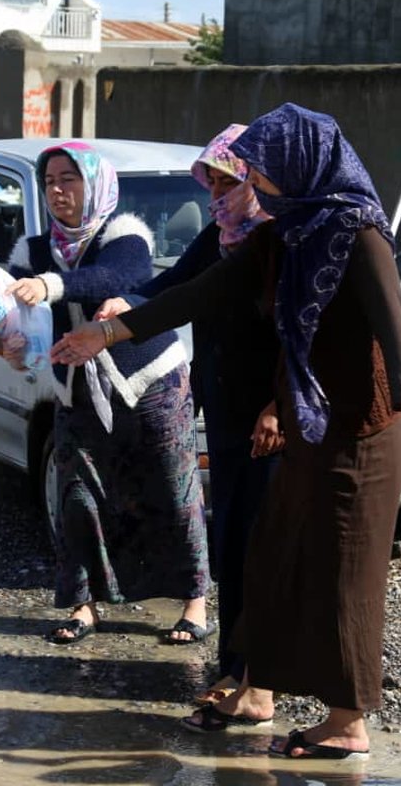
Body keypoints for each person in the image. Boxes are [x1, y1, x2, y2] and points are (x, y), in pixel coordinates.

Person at [50, 104, 401, 756]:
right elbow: (197, 292)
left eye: (260, 168)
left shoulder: (358, 230)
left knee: (346, 573)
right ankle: (257, 689)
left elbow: (393, 330)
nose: (251, 179)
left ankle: (348, 724)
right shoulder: (282, 234)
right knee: (268, 556)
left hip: (363, 430)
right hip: (308, 423)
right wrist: (107, 331)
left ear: (301, 163)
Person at [1, 141, 211, 645]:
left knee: (173, 487)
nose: (57, 190)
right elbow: (10, 313)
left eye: (68, 179)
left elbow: (117, 277)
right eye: (50, 180)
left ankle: (195, 603)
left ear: (93, 185)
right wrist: (2, 336)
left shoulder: (125, 234)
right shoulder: (30, 251)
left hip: (150, 381)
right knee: (78, 496)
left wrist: (49, 287)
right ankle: (83, 604)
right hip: (76, 389)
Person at [94, 124, 278, 688]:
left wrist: (278, 404)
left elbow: (300, 338)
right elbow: (176, 284)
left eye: (228, 182)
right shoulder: (220, 238)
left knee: (260, 544)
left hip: (269, 420)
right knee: (230, 541)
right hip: (223, 408)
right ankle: (234, 670)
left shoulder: (276, 241)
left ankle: (259, 674)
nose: (217, 195)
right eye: (212, 182)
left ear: (254, 180)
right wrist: (128, 304)